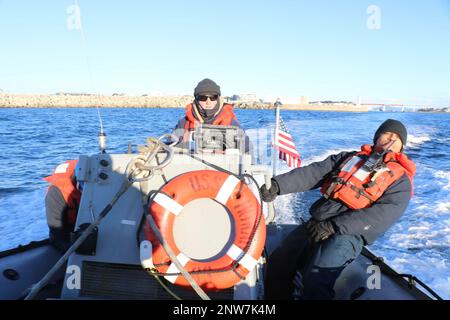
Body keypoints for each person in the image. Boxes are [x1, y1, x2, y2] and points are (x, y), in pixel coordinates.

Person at [260, 119, 416, 300]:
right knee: (279, 261)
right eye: (387, 134)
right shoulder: (348, 158)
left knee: (316, 278)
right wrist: (277, 185)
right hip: (318, 222)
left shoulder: (401, 182)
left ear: (402, 146)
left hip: (349, 234)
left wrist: (333, 226)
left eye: (397, 138)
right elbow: (314, 173)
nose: (391, 139)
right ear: (377, 137)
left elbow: (381, 216)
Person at [173, 78, 251, 152]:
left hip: (222, 164)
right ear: (196, 99)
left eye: (213, 97)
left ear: (218, 98)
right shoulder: (183, 123)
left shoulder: (232, 125)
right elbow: (170, 146)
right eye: (203, 98)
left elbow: (247, 150)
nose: (208, 102)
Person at [44, 160, 82, 252]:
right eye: (82, 187)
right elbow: (57, 237)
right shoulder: (56, 193)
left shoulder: (99, 186)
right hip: (68, 231)